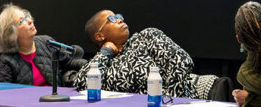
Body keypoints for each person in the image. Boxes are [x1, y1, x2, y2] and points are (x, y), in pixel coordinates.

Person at [74, 10, 222, 99]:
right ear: (99, 36)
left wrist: (167, 101)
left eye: (118, 15)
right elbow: (80, 83)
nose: (120, 19)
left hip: (179, 100)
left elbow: (180, 62)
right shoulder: (103, 61)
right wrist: (105, 53)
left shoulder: (146, 37)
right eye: (111, 19)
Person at [0, 4, 86, 86]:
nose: (30, 21)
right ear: (11, 34)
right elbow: (5, 93)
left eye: (27, 16)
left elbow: (68, 63)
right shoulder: (6, 60)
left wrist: (90, 64)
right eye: (22, 21)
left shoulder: (46, 42)